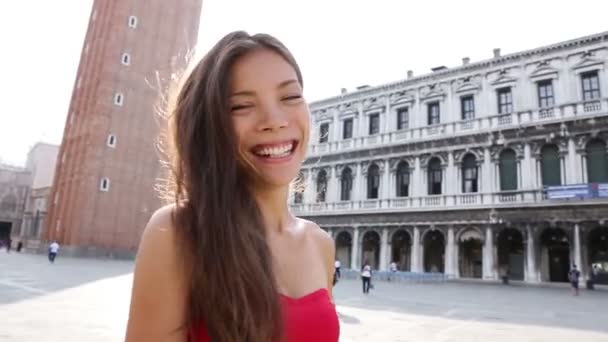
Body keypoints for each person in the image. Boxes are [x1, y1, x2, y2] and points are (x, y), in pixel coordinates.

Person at [125, 32, 339, 342]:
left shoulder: (321, 244)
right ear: (210, 127)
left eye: (290, 97)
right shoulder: (179, 233)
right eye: (241, 106)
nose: (274, 120)